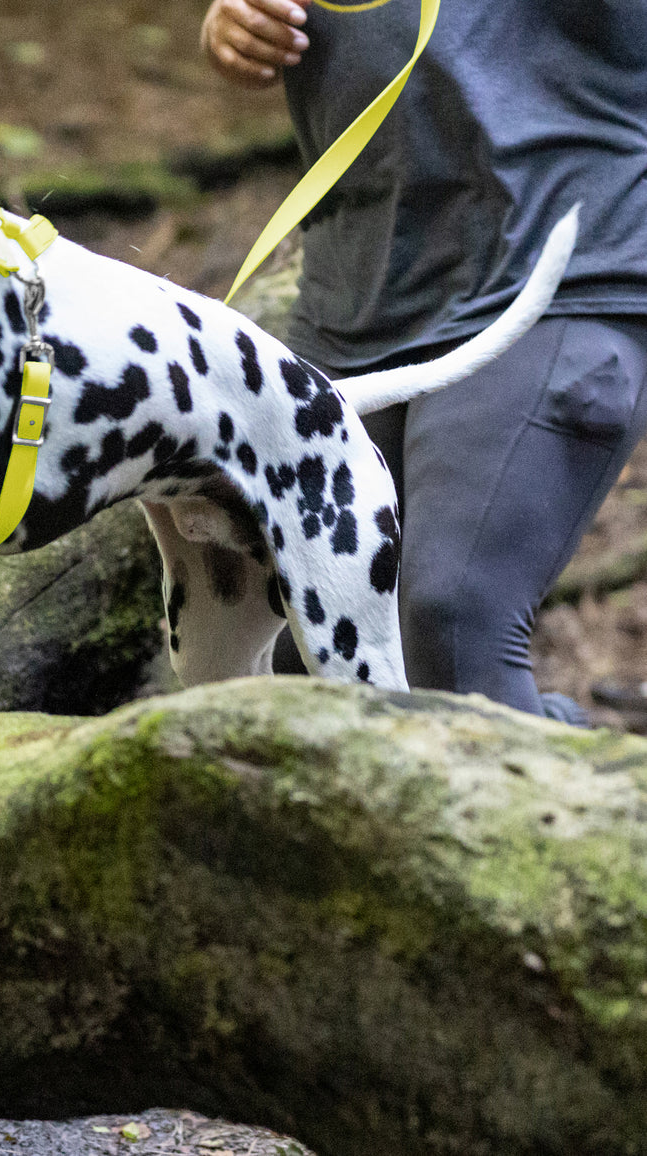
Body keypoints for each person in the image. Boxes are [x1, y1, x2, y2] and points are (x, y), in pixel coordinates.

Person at [199, 0, 647, 721]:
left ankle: (588, 812)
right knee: (298, 660)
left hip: (558, 269)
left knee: (452, 623)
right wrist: (232, 24)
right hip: (352, 294)